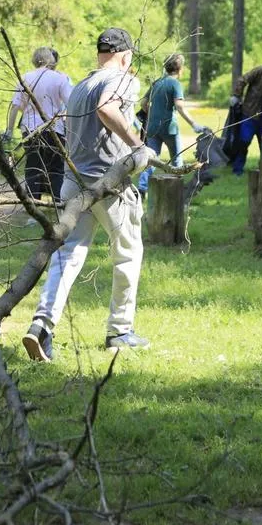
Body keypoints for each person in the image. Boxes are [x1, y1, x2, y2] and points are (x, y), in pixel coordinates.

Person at [21, 27, 152, 362]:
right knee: (128, 252)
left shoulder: (81, 85)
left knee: (67, 256)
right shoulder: (123, 78)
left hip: (72, 181)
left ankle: (41, 326)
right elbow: (108, 110)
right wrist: (137, 144)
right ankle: (120, 330)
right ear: (126, 56)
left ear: (99, 54)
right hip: (106, 183)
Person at [3, 46, 73, 203]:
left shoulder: (25, 78)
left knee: (33, 168)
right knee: (56, 169)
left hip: (30, 130)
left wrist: (9, 130)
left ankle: (33, 207)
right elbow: (70, 104)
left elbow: (15, 106)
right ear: (51, 60)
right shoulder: (60, 78)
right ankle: (58, 203)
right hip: (55, 129)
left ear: (35, 60)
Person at [136, 53, 209, 198]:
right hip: (169, 128)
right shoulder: (175, 84)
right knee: (176, 159)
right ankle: (177, 189)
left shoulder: (157, 82)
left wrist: (153, 113)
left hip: (152, 128)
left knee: (151, 159)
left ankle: (142, 188)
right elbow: (179, 106)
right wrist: (194, 124)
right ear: (180, 69)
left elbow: (143, 103)